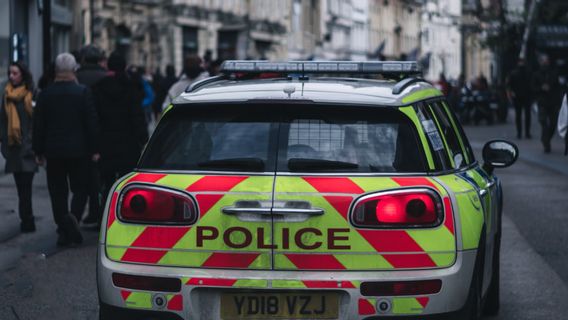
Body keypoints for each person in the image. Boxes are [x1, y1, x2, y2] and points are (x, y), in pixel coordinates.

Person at [32, 53, 100, 246]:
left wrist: (38, 151)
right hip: (79, 150)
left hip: (53, 151)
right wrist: (95, 148)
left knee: (57, 191)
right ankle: (73, 220)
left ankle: (64, 225)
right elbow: (91, 123)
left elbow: (39, 125)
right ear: (73, 70)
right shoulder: (83, 92)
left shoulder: (45, 94)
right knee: (80, 189)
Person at [92, 52, 148, 213]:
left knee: (107, 182)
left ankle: (104, 214)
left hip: (106, 142)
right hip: (128, 142)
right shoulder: (131, 88)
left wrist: (95, 144)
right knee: (126, 181)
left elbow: (95, 118)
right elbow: (137, 116)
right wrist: (143, 139)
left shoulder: (99, 88)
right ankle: (124, 212)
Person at [0, 62, 37, 232]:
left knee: (26, 187)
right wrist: (4, 146)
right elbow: (2, 121)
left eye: (15, 73)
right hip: (14, 148)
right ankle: (26, 219)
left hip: (28, 148)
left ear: (23, 74)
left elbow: (37, 122)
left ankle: (27, 220)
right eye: (10, 73)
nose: (11, 76)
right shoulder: (6, 94)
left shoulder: (32, 93)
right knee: (20, 189)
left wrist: (35, 144)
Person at [76, 45, 106, 228]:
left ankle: (85, 212)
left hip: (78, 132)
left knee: (81, 177)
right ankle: (96, 210)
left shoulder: (77, 78)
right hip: (101, 131)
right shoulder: (105, 77)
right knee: (98, 177)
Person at [532, 54, 562, 153]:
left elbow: (558, 88)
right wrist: (541, 88)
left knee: (553, 124)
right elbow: (532, 88)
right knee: (543, 122)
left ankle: (546, 138)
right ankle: (546, 144)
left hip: (553, 103)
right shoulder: (536, 74)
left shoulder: (554, 73)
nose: (545, 62)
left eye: (547, 60)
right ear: (540, 62)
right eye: (543, 61)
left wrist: (559, 101)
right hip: (542, 102)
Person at [507, 59, 532, 139]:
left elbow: (509, 85)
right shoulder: (528, 72)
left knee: (519, 115)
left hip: (518, 96)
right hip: (526, 96)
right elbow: (531, 84)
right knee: (526, 115)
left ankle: (519, 133)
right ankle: (526, 133)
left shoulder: (514, 73)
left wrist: (511, 94)